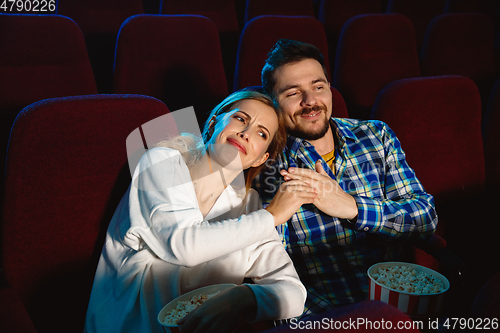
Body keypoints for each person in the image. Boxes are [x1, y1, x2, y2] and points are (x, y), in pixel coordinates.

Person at [84, 90, 317, 333]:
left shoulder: (249, 206)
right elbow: (184, 245)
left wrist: (244, 298)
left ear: (260, 159)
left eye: (261, 133)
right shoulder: (161, 162)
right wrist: (273, 216)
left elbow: (293, 293)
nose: (246, 134)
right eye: (240, 118)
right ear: (215, 121)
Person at [254, 39, 438, 317]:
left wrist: (351, 206)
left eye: (319, 87)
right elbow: (273, 272)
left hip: (398, 301)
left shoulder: (376, 135)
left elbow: (425, 218)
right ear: (273, 103)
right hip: (325, 312)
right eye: (293, 93)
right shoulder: (264, 162)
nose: (310, 101)